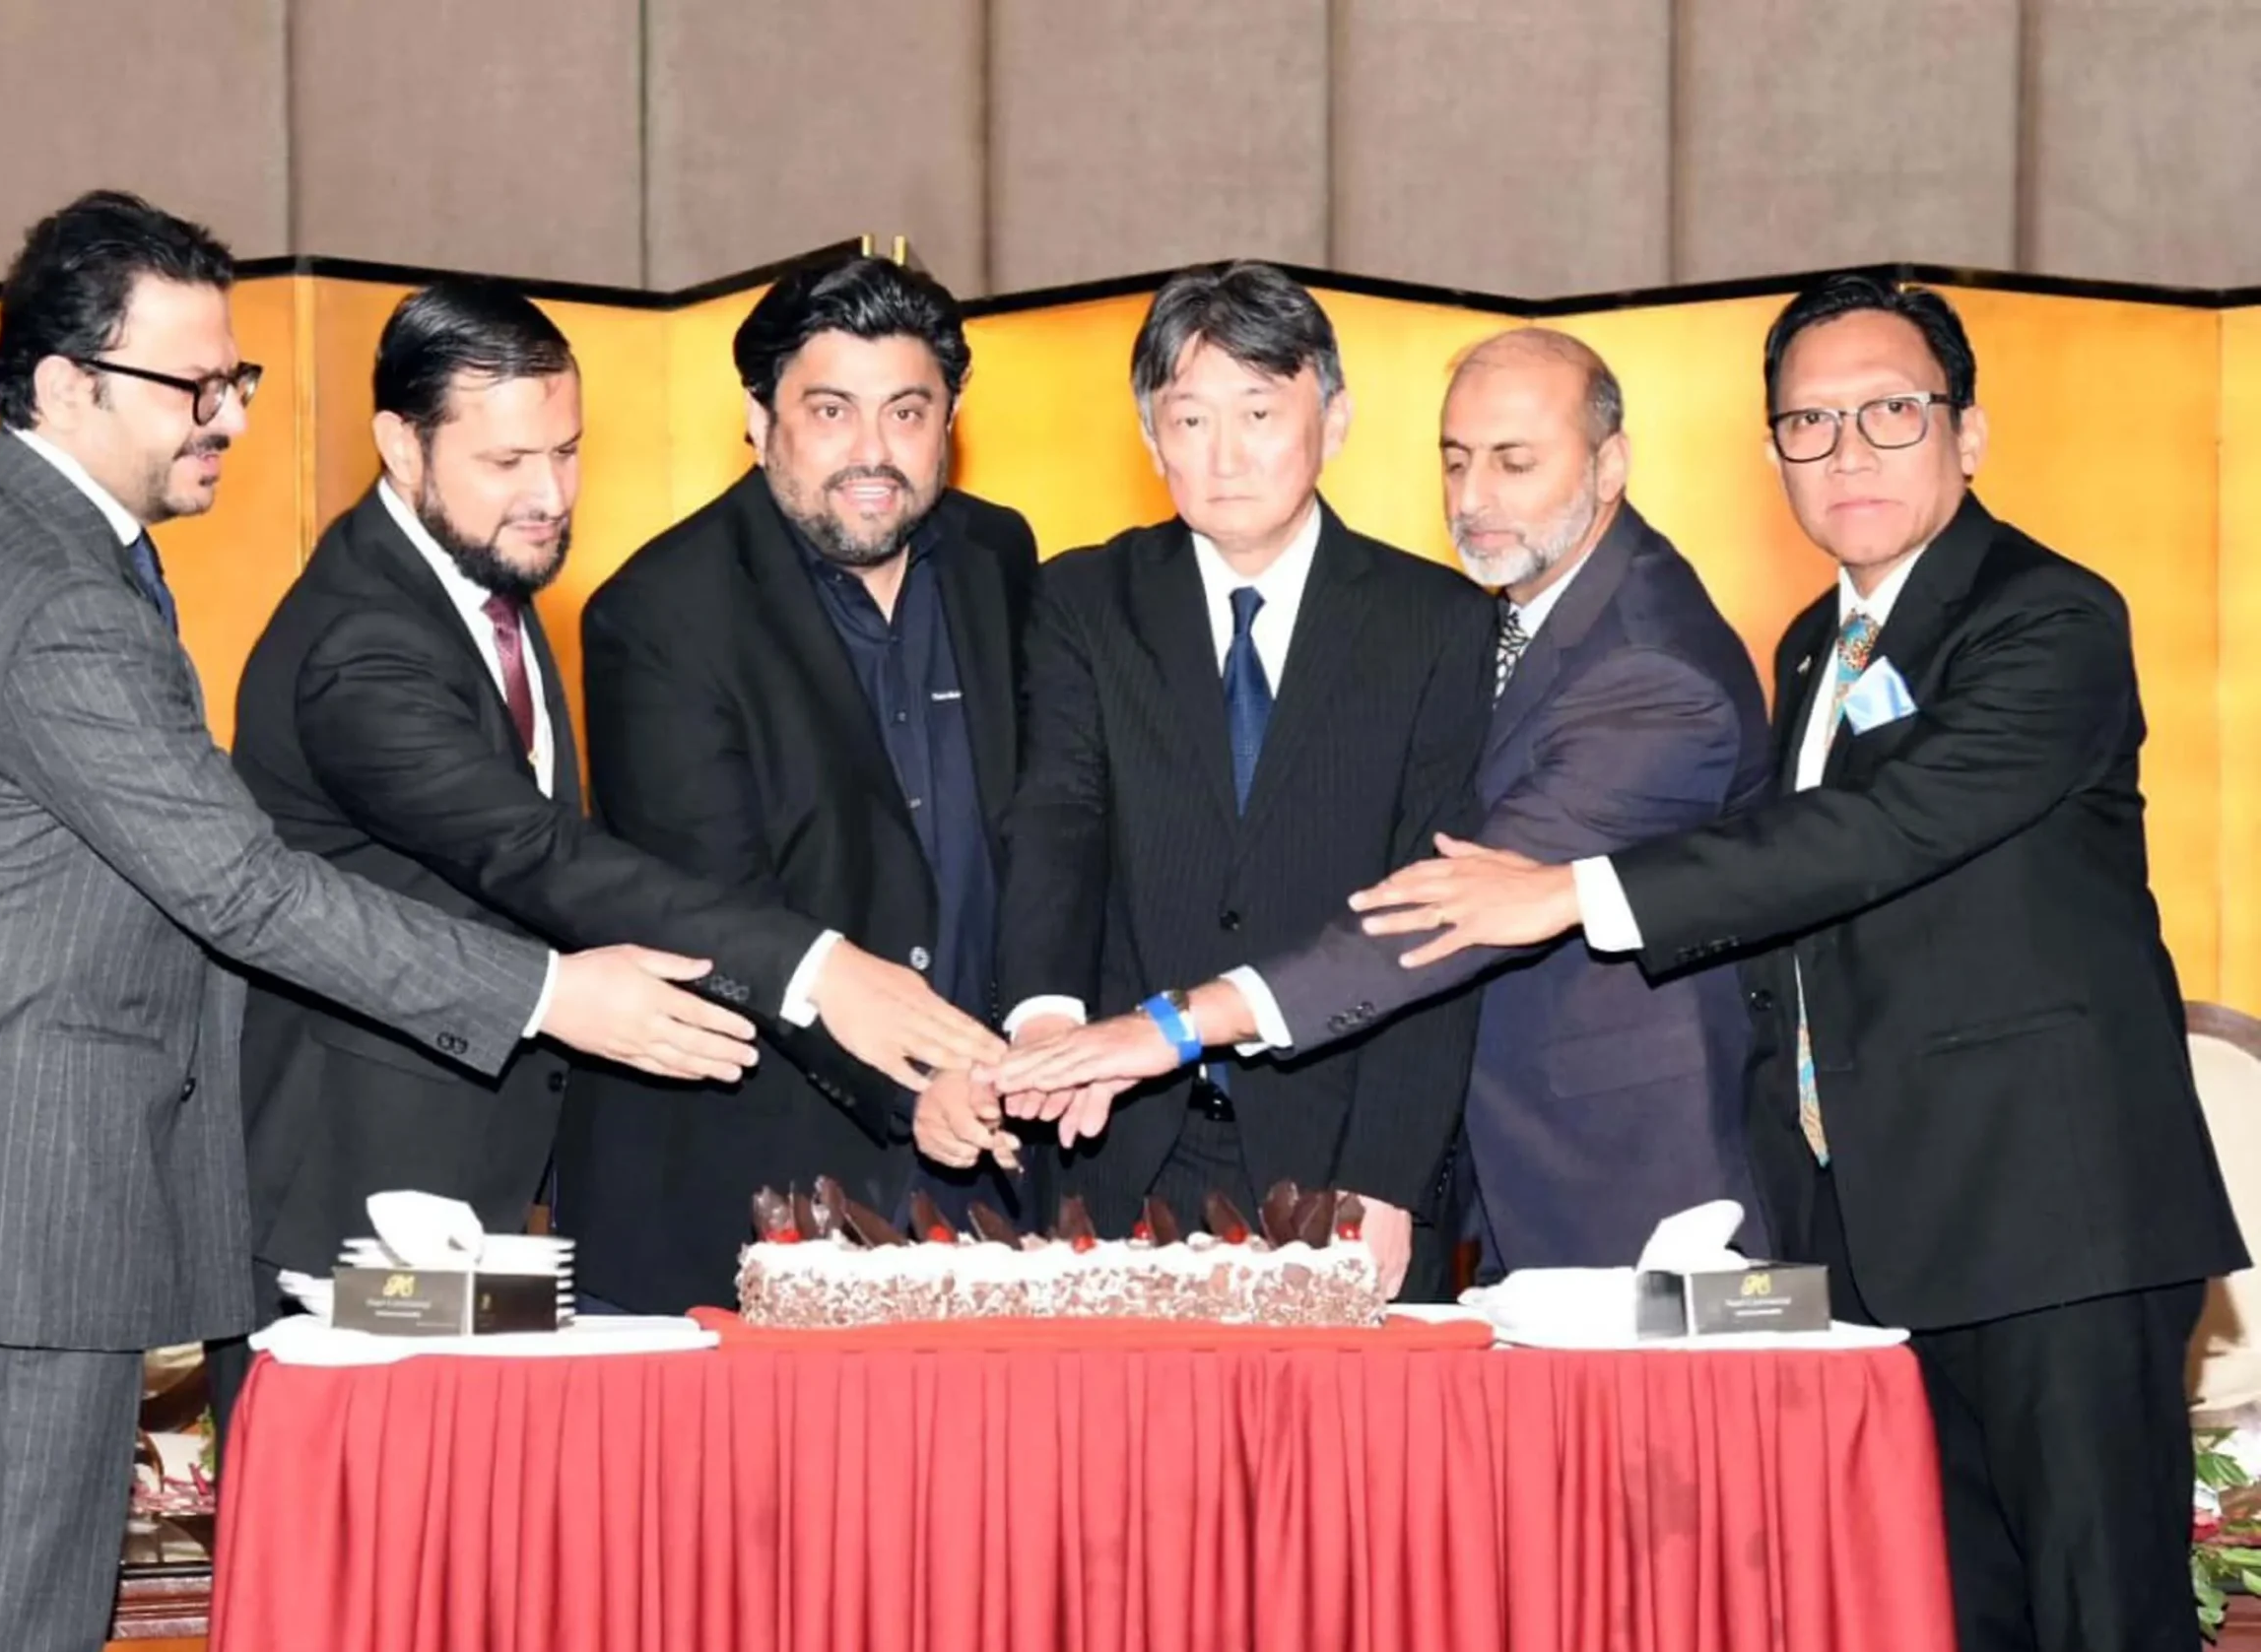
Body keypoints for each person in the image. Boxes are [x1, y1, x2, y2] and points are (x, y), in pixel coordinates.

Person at [0, 192, 762, 1652]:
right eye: (192, 385)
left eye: (237, 379)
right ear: (68, 382)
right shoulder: (56, 597)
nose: (225, 415)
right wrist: (556, 995)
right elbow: (239, 885)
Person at [1355, 273, 2245, 1652]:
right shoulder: (1810, 649)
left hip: (2055, 1225)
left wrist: (1574, 890)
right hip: (1888, 1228)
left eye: (1889, 413)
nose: (1848, 452)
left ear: (1967, 433)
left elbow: (1880, 834)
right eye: (1809, 424)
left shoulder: (2049, 617)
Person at [218, 278, 1005, 1421]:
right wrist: (821, 970)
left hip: (471, 1198)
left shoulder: (474, 577)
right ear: (399, 445)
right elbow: (535, 855)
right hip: (358, 1207)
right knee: (372, 1523)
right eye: (507, 462)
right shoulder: (362, 644)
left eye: (567, 453)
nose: (548, 496)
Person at [989, 327, 1771, 1274]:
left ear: (1611, 465)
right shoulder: (1518, 610)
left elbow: (1440, 912)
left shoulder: (1649, 669)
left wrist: (1174, 1026)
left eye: (1516, 462)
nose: (1473, 498)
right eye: (1456, 460)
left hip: (1611, 1168)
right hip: (1428, 1159)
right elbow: (1059, 821)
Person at [991, 261, 1496, 1297]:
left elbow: (1436, 911)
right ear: (1151, 440)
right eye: (1189, 419)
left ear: (1334, 419)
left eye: (1259, 412)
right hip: (1117, 1140)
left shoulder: (1436, 621)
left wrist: (1387, 1175)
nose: (1223, 456)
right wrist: (1046, 1025)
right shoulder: (1084, 599)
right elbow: (1058, 821)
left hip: (1338, 1145)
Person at [561, 252, 1031, 1314]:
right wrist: (915, 1088)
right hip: (751, 1190)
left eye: (906, 412)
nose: (873, 452)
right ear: (758, 417)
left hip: (990, 1180)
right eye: (830, 411)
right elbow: (720, 916)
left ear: (950, 419)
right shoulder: (659, 612)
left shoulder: (997, 556)